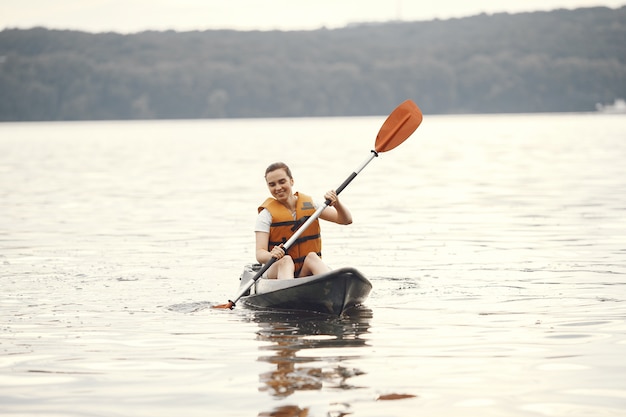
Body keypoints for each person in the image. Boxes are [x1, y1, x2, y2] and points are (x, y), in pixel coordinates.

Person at [255, 162, 352, 279]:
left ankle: (331, 284)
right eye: (272, 184)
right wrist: (271, 255)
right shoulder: (266, 215)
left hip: (304, 270)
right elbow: (260, 253)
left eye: (282, 182)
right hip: (277, 270)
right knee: (286, 260)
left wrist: (337, 203)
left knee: (312, 256)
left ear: (291, 181)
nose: (278, 188)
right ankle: (288, 292)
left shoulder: (311, 205)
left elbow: (346, 220)